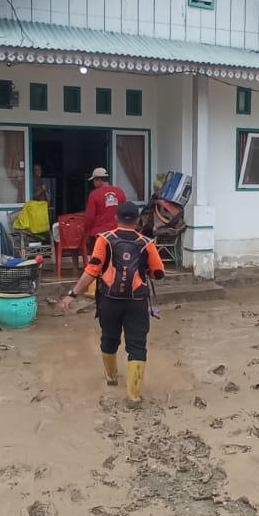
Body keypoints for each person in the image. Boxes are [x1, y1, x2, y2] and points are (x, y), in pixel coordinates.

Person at [60, 202, 165, 406]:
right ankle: (133, 396)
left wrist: (72, 294)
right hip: (136, 302)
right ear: (138, 220)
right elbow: (158, 273)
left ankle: (111, 377)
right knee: (137, 346)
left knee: (109, 339)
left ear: (116, 219)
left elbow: (92, 270)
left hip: (109, 301)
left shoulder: (105, 240)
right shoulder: (146, 243)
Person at [82, 167, 126, 239]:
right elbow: (124, 212)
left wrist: (85, 230)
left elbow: (90, 217)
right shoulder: (120, 192)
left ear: (98, 180)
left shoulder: (94, 194)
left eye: (94, 181)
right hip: (116, 234)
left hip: (98, 234)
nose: (93, 183)